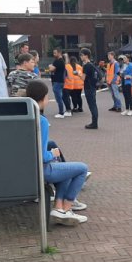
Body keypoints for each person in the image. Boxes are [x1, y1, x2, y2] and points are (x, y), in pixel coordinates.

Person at [25, 79, 89, 226]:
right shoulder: (40, 120)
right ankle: (67, 208)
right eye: (47, 97)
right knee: (82, 168)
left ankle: (59, 207)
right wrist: (53, 154)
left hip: (28, 169)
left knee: (65, 169)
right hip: (42, 170)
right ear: (42, 99)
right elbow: (41, 155)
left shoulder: (23, 117)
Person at [80, 48, 99, 129]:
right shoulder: (91, 64)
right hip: (92, 87)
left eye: (82, 55)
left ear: (86, 56)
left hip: (88, 88)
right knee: (93, 105)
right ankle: (94, 122)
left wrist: (78, 74)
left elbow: (83, 78)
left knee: (92, 105)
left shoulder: (86, 66)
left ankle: (94, 123)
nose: (81, 57)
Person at [48, 47, 68, 118]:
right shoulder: (61, 61)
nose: (54, 54)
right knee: (60, 96)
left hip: (57, 81)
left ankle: (61, 112)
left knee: (58, 97)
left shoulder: (58, 61)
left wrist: (50, 66)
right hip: (60, 81)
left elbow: (51, 69)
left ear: (59, 53)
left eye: (55, 53)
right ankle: (64, 110)